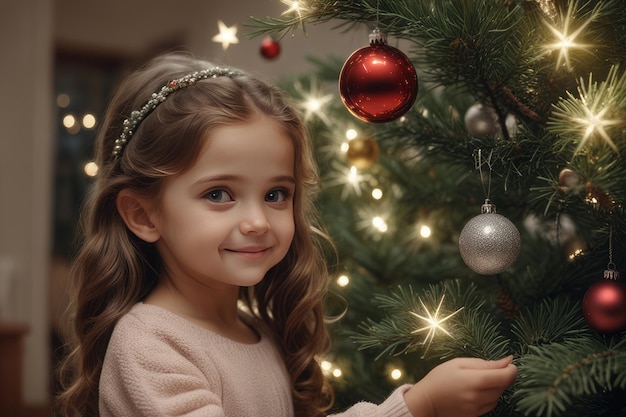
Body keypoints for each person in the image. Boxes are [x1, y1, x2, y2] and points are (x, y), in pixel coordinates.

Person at [56, 52, 517, 417]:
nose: (258, 220)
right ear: (143, 214)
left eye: (276, 194)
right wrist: (418, 407)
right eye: (219, 194)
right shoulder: (150, 347)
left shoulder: (256, 331)